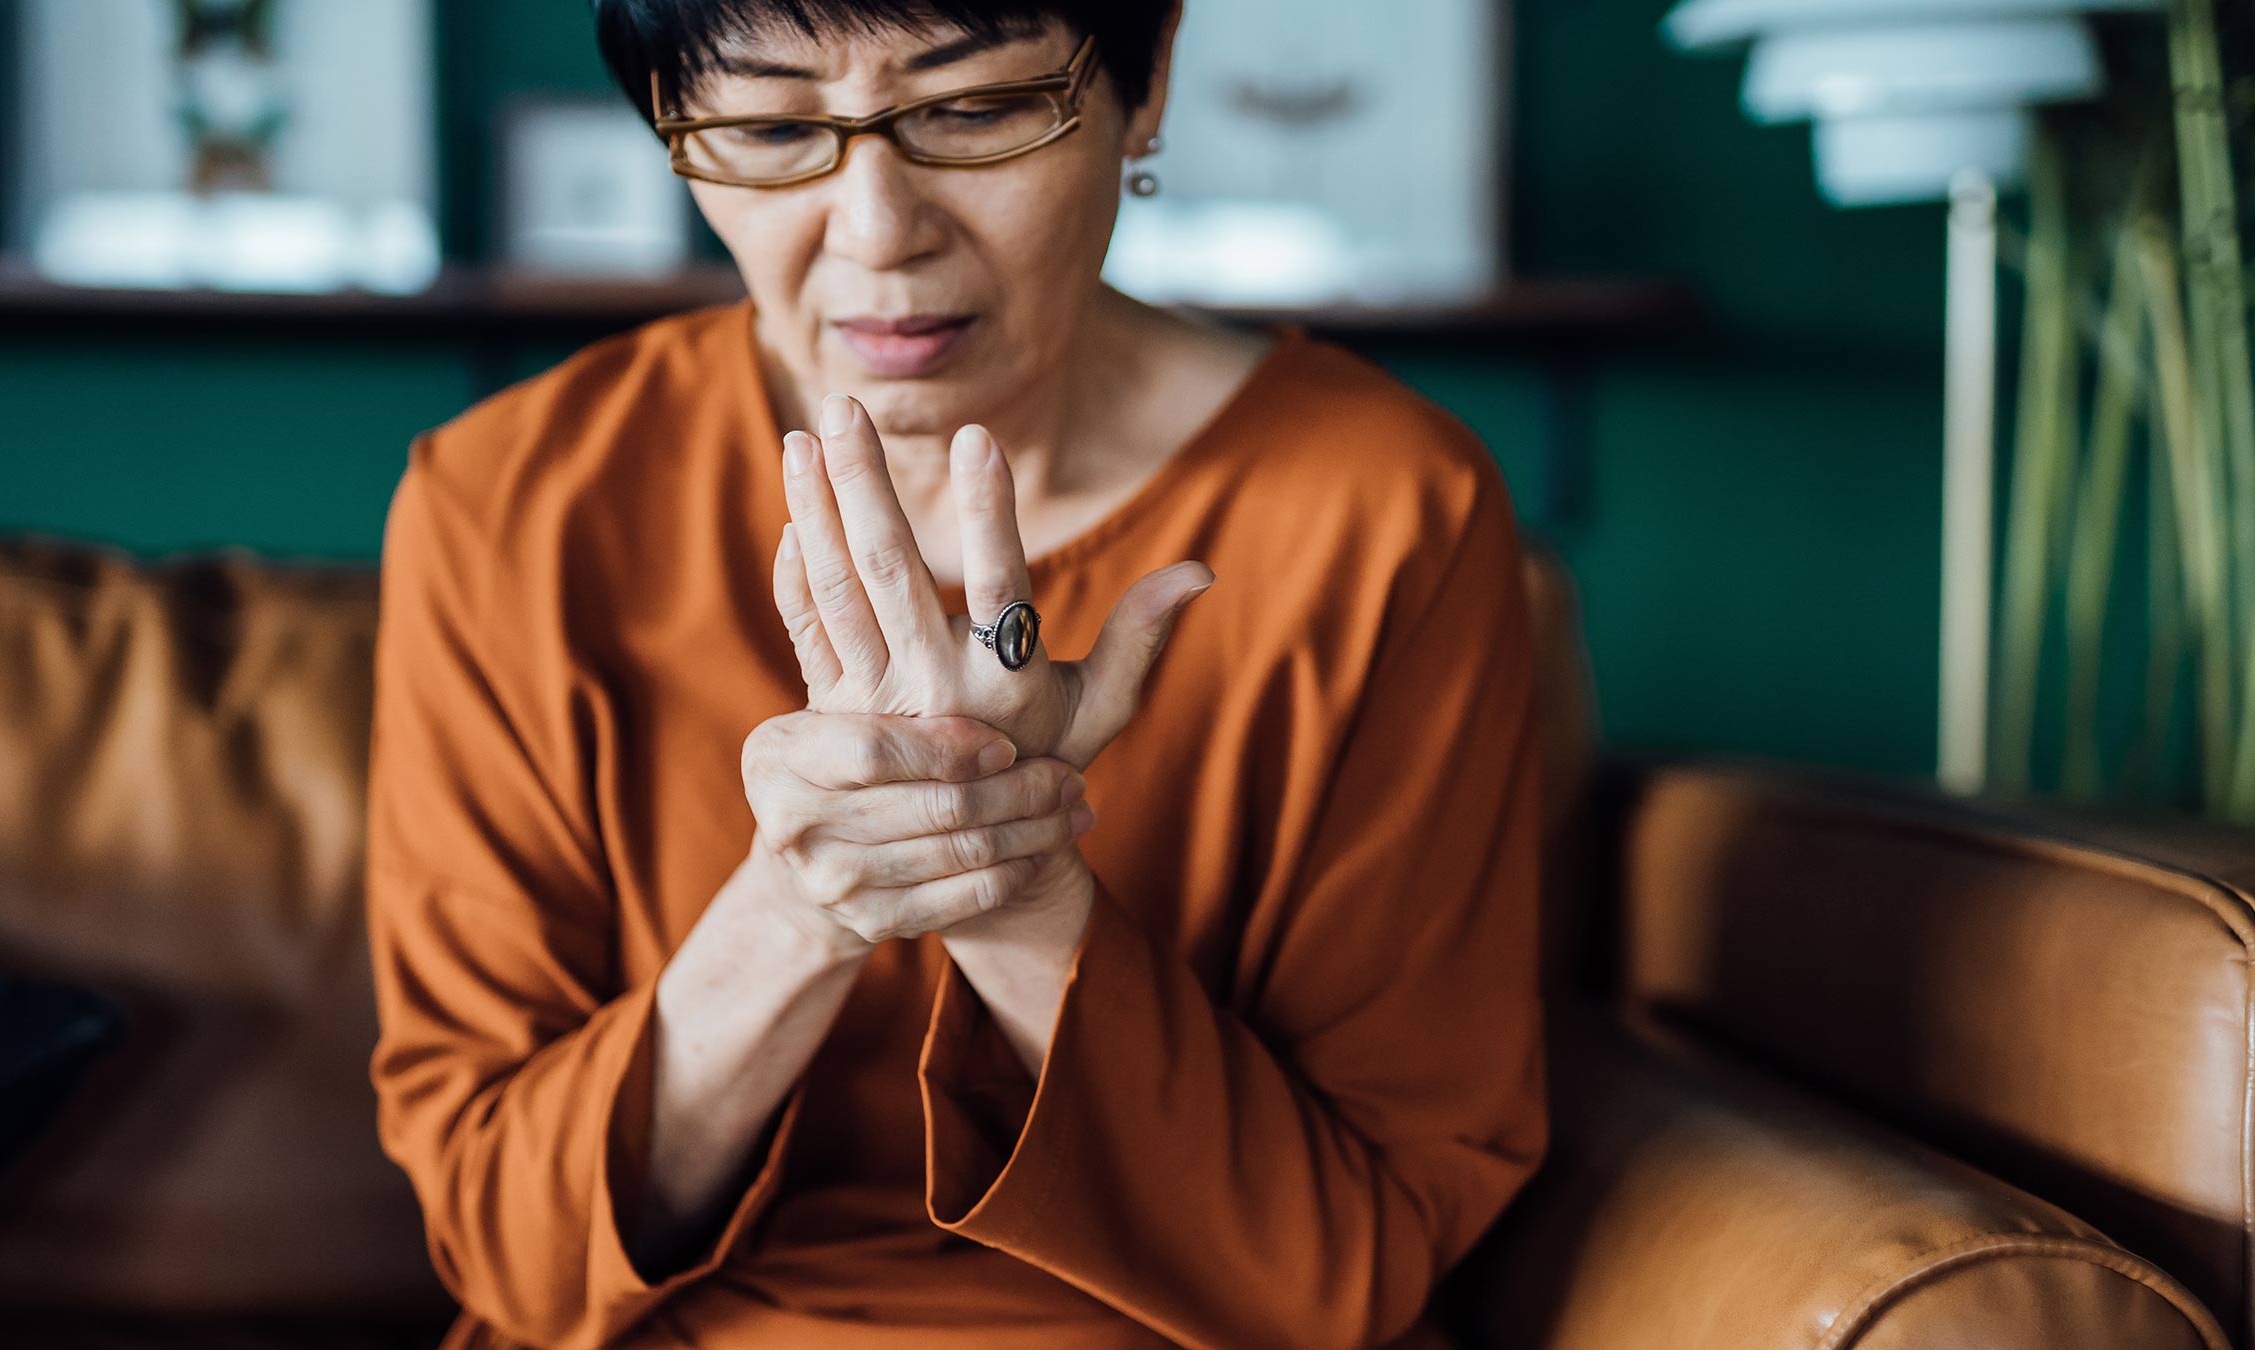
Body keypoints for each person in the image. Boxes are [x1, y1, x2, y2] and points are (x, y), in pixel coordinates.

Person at [363, 2, 1548, 1347]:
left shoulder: (1386, 513)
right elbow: (508, 1243)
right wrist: (805, 901)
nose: (878, 231)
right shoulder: (510, 506)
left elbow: (1349, 1270)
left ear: (1143, 83)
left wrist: (1017, 879)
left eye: (974, 110)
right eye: (765, 127)